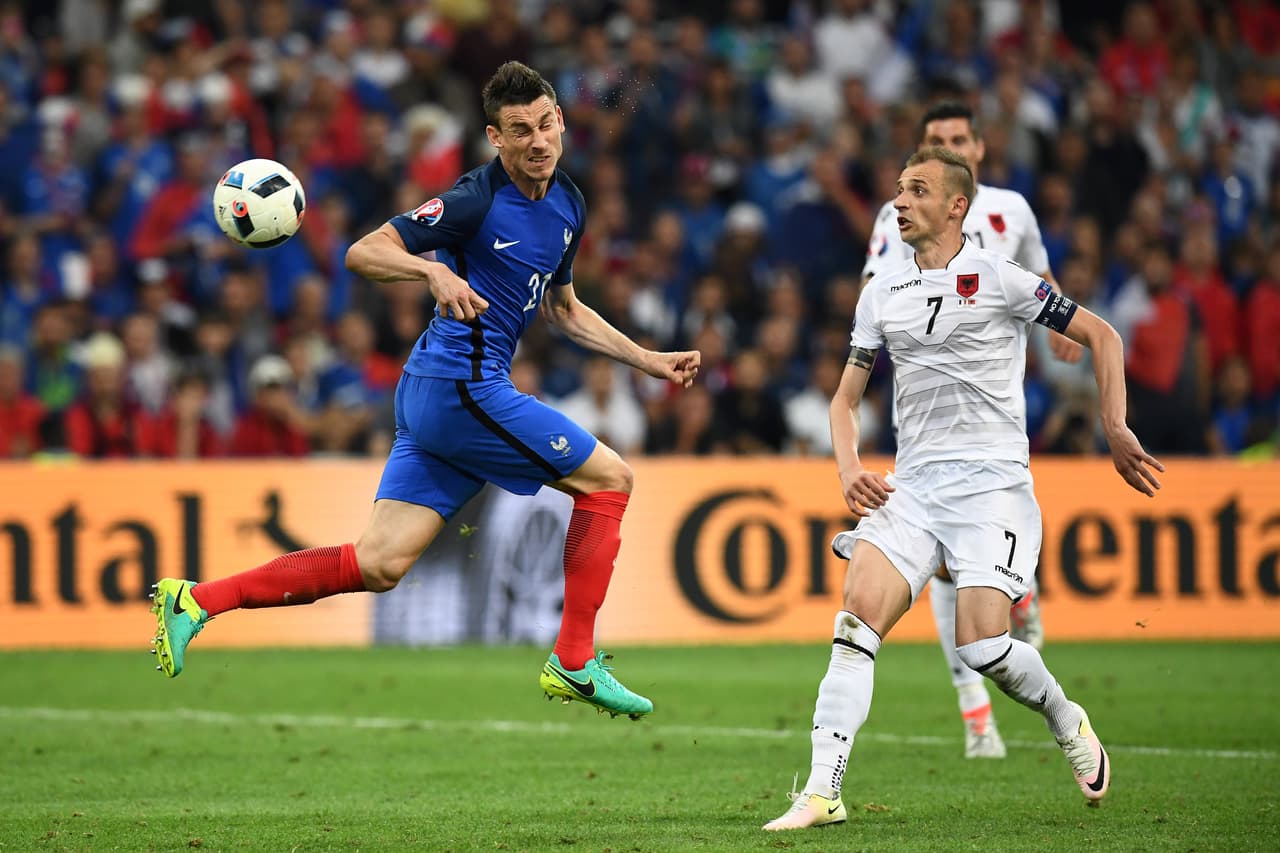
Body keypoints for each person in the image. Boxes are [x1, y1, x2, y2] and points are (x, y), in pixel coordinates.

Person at [148, 62, 700, 720]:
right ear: (495, 138)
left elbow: (564, 308)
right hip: (460, 388)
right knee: (609, 479)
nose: (539, 140)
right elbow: (363, 250)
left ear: (561, 122)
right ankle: (575, 659)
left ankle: (196, 600)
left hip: (439, 390)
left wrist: (646, 358)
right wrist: (428, 272)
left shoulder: (569, 204)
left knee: (379, 563)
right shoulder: (473, 199)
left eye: (547, 123)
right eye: (520, 130)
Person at [763, 148, 1163, 831]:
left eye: (916, 189)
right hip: (913, 489)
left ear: (956, 206)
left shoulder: (1000, 278)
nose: (899, 199)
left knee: (983, 646)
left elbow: (1102, 334)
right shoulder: (881, 292)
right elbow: (843, 399)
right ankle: (823, 792)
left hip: (993, 489)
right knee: (856, 620)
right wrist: (848, 468)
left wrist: (1116, 426)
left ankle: (1066, 715)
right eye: (897, 188)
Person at [860, 100, 1080, 758]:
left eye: (958, 139)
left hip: (999, 423)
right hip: (925, 425)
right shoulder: (897, 214)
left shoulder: (1012, 212)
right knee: (948, 572)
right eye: (934, 140)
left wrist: (1061, 338)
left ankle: (1021, 592)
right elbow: (877, 290)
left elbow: (1042, 281)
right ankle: (976, 715)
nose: (948, 146)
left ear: (980, 148)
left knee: (977, 573)